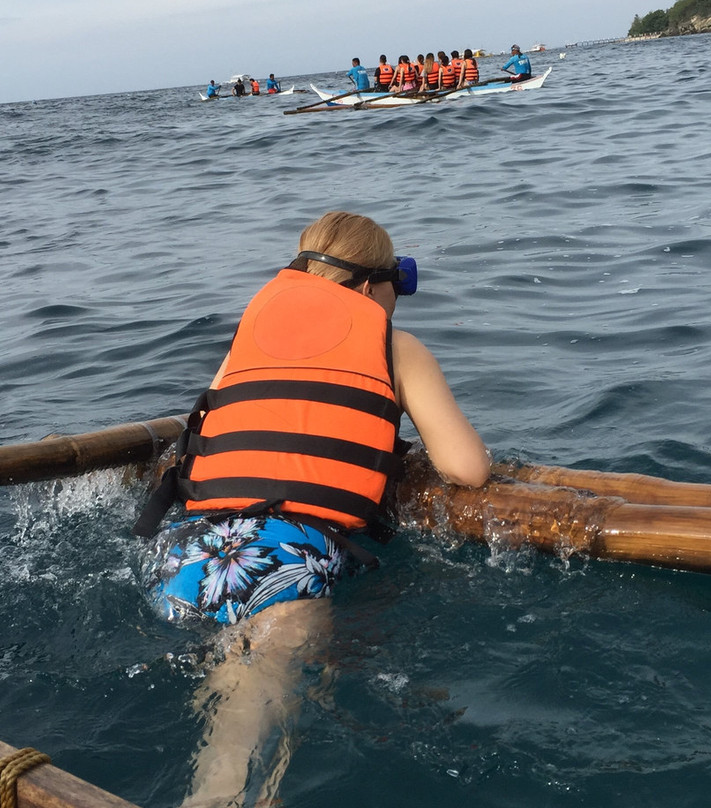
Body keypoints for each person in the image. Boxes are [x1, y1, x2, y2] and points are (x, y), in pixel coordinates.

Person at [135, 211, 489, 808]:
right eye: (399, 284)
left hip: (186, 555)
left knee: (235, 688)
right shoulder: (392, 345)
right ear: (371, 285)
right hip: (280, 566)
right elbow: (467, 468)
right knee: (241, 744)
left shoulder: (250, 337)